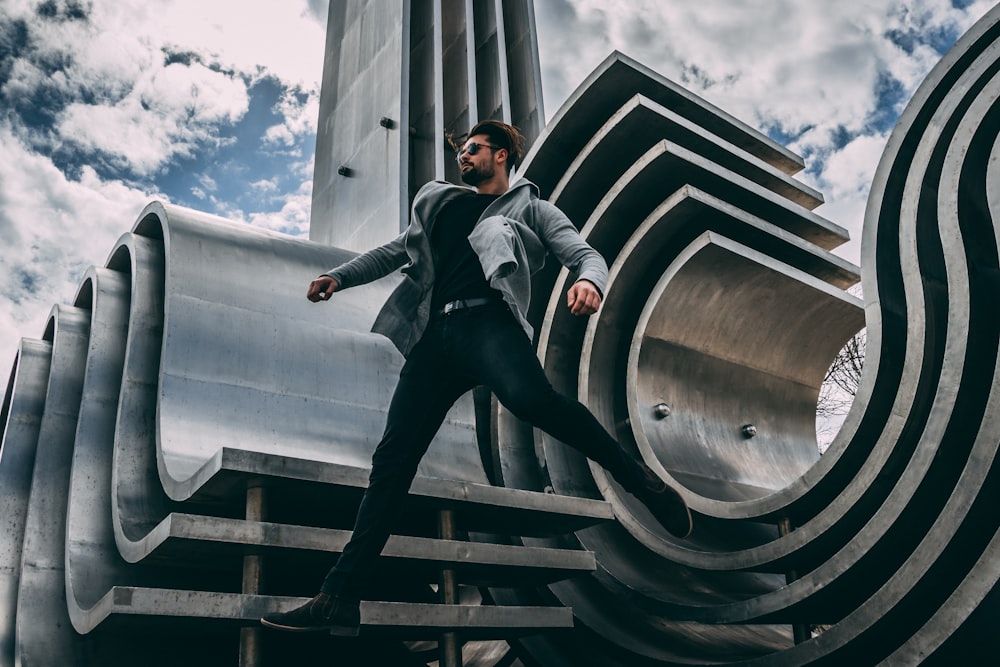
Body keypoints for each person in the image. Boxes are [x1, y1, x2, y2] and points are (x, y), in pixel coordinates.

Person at [261, 120, 691, 636]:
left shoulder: (531, 208)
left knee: (532, 401)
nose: (463, 157)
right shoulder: (441, 205)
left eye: (474, 150)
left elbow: (583, 253)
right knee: (392, 462)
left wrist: (587, 282)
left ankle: (639, 479)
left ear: (502, 155)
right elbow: (393, 252)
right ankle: (337, 598)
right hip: (434, 340)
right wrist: (339, 276)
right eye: (462, 151)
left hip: (489, 324)